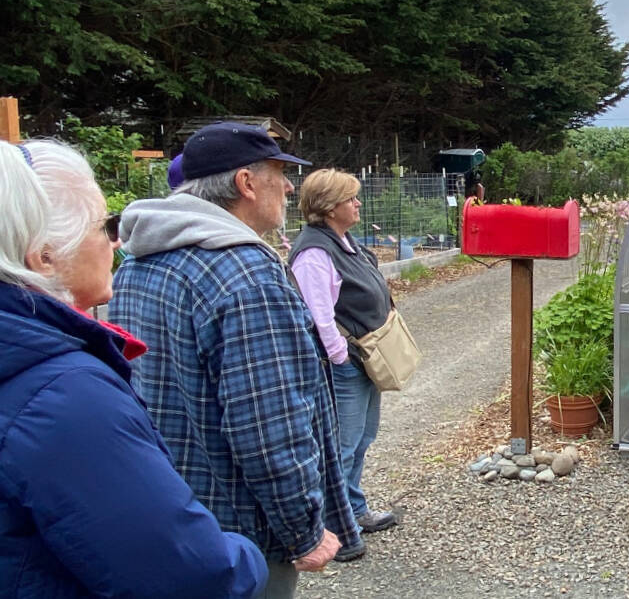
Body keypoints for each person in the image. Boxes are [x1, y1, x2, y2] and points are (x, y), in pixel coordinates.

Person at [0, 140, 267, 597]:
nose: (116, 240)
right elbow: (191, 577)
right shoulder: (63, 396)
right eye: (104, 225)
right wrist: (250, 553)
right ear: (43, 254)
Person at [111, 123, 359, 597]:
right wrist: (303, 530)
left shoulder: (140, 260)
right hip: (240, 531)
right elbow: (269, 428)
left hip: (168, 507)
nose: (289, 187)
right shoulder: (246, 274)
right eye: (279, 174)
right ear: (246, 183)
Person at [289, 170, 399, 561]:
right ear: (329, 206)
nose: (358, 204)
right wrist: (340, 357)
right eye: (351, 199)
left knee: (363, 438)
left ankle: (353, 507)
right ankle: (331, 526)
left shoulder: (342, 240)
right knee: (342, 445)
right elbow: (319, 315)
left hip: (362, 359)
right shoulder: (314, 252)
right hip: (345, 363)